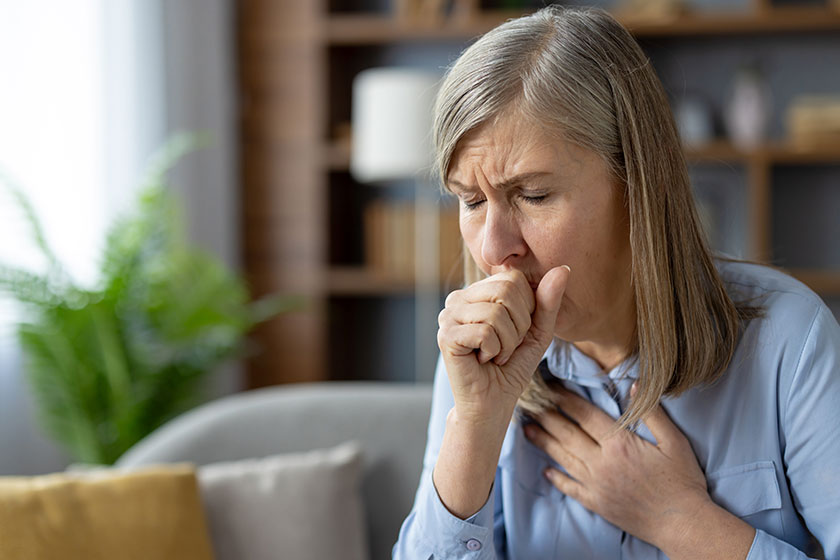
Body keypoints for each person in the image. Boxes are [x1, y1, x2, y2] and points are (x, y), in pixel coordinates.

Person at [393, 6, 840, 560]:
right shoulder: (473, 361)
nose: (491, 248)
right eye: (472, 200)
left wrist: (681, 523)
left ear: (637, 186)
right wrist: (474, 430)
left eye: (533, 195)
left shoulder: (790, 344)